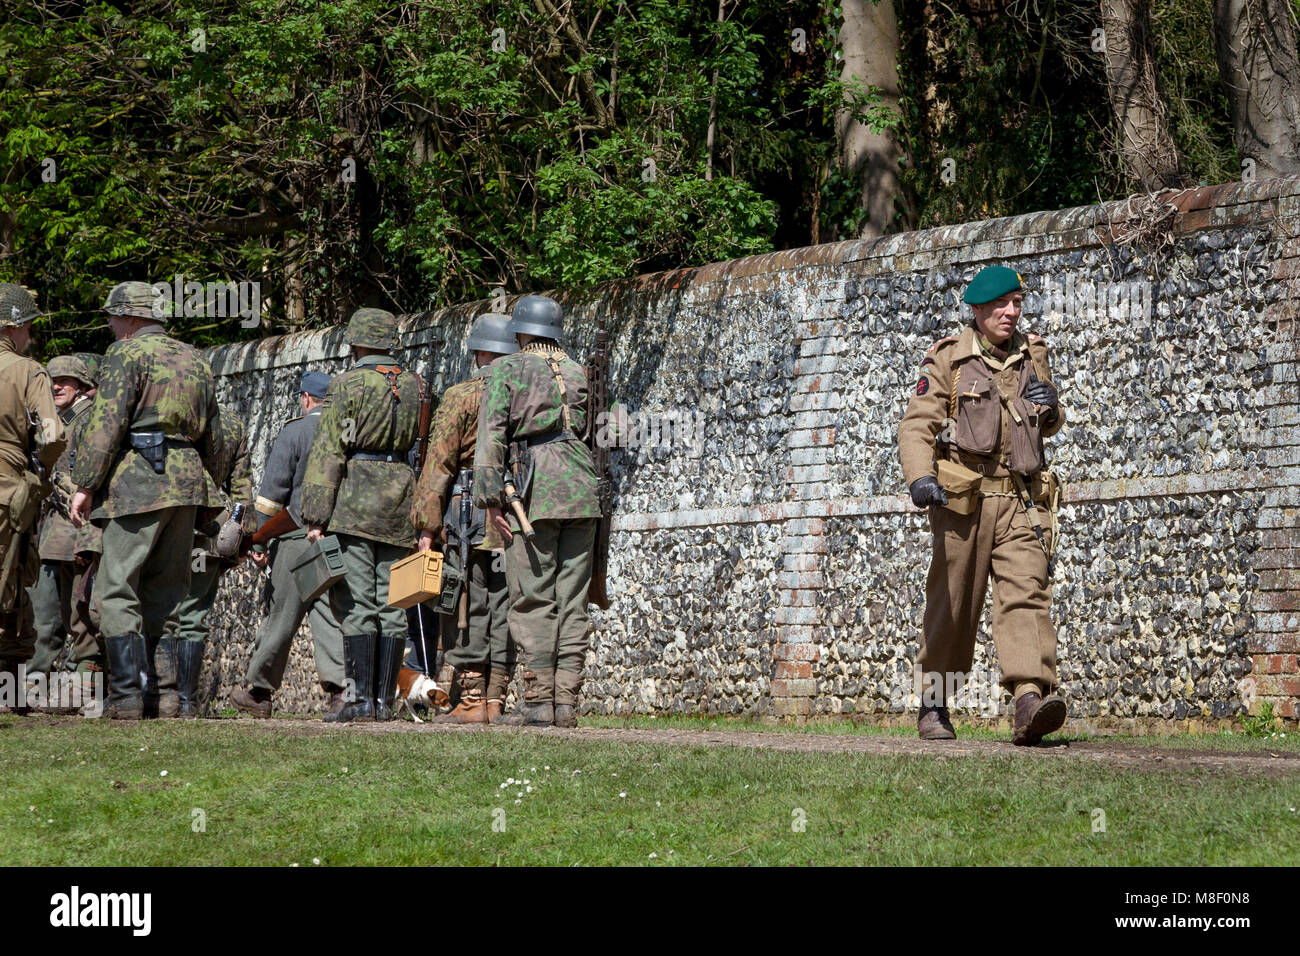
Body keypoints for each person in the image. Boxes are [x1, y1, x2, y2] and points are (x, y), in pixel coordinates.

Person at [898, 265, 1066, 746]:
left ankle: (1029, 700)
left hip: (1020, 500)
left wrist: (1052, 407)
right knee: (952, 605)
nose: (1011, 311)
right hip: (964, 504)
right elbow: (917, 427)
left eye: (1016, 302)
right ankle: (934, 705)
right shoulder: (950, 359)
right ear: (977, 309)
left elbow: (1044, 419)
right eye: (1000, 304)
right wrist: (921, 478)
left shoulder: (1032, 354)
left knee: (1026, 594)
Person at [70, 281, 223, 720]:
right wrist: (211, 488)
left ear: (132, 316)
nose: (112, 326)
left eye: (114, 317)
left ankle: (126, 697)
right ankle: (167, 695)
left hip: (138, 479)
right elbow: (215, 433)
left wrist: (85, 484)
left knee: (117, 588)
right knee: (167, 590)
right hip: (187, 482)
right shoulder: (196, 358)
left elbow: (107, 423)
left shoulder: (126, 354)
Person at [473, 295, 600, 728]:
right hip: (582, 489)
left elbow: (491, 437)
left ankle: (539, 702)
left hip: (535, 489)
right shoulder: (578, 368)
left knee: (532, 596)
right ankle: (566, 702)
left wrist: (490, 501)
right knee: (572, 599)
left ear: (521, 330)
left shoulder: (507, 368)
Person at [300, 308, 420, 723]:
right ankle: (384, 702)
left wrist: (315, 513)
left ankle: (359, 700)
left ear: (356, 342)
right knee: (393, 602)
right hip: (401, 497)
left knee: (356, 603)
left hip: (354, 500)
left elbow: (329, 450)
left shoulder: (345, 384)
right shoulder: (415, 384)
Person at [412, 313, 517, 723]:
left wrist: (427, 524)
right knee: (505, 601)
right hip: (512, 511)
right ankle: (496, 699)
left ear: (478, 351)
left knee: (465, 601)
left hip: (467, 512)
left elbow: (439, 463)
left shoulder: (460, 396)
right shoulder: (522, 393)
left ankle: (472, 700)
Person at [230, 371, 346, 718]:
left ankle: (259, 692)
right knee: (329, 614)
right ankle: (341, 694)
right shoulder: (347, 431)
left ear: (306, 399)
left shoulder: (295, 430)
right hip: (335, 538)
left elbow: (271, 496)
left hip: (295, 537)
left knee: (281, 615)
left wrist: (260, 539)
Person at [161, 402, 254, 716]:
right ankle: (186, 701)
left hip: (170, 523)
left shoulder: (169, 415)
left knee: (158, 607)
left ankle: (161, 696)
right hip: (211, 529)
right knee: (194, 613)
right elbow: (242, 485)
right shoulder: (232, 422)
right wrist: (244, 535)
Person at [0, 284, 67, 705]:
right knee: (10, 582)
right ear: (16, 326)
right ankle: (9, 690)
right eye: (29, 327)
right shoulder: (28, 370)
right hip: (8, 486)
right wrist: (40, 472)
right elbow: (53, 434)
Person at [26, 355, 101, 692]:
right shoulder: (56, 421)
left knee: (81, 611)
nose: (56, 386)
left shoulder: (89, 418)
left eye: (66, 381)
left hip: (80, 529)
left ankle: (85, 677)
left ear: (83, 386)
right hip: (54, 533)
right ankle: (34, 678)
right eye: (52, 381)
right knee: (45, 611)